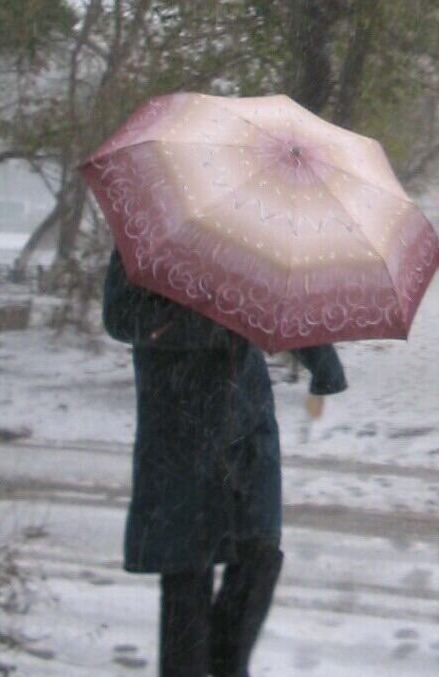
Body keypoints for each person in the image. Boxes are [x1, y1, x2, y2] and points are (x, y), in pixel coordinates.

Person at [101, 249, 346, 677]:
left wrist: (320, 358)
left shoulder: (248, 234)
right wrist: (203, 320)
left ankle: (226, 666)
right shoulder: (152, 234)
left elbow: (279, 299)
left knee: (259, 555)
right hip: (180, 430)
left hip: (246, 423)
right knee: (187, 581)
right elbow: (121, 315)